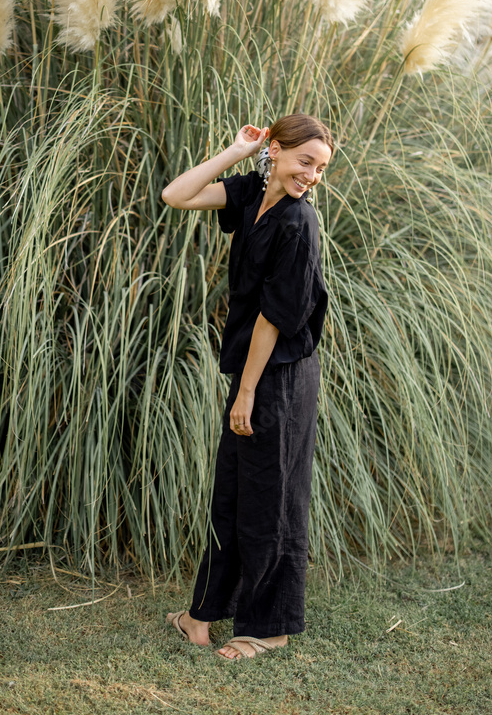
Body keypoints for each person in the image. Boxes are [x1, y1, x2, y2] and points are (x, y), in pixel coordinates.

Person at [161, 114, 334, 660]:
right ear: (277, 151)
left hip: (278, 375)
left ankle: (270, 628)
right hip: (253, 372)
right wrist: (238, 151)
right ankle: (201, 614)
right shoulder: (253, 191)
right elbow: (176, 195)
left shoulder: (298, 223)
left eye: (322, 167)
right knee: (233, 491)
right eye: (305, 160)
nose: (312, 175)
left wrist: (247, 393)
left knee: (274, 498)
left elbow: (273, 318)